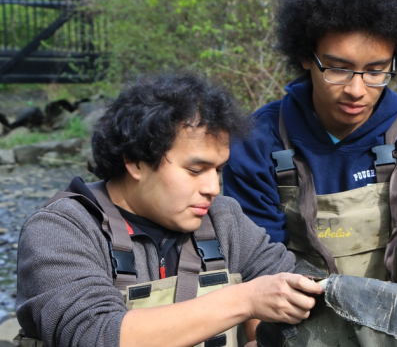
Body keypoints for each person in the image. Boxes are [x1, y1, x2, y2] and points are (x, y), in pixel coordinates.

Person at [15, 72, 323, 347]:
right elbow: (96, 335)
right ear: (136, 160)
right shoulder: (59, 230)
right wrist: (247, 299)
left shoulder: (223, 218)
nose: (213, 188)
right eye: (195, 170)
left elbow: (292, 285)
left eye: (217, 170)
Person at [222, 0, 397, 304]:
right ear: (305, 56)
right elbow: (253, 259)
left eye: (376, 71)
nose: (357, 90)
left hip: (391, 320)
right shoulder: (257, 141)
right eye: (338, 69)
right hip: (286, 318)